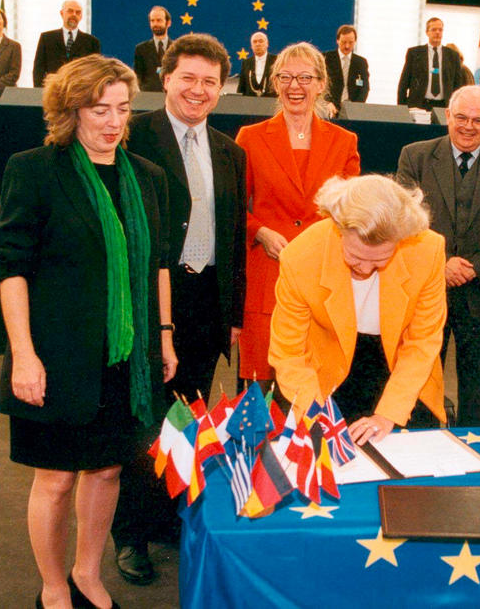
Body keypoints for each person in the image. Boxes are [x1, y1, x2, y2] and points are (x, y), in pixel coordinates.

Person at [0, 55, 177, 609]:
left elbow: (157, 265)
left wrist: (164, 336)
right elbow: (11, 270)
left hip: (128, 361)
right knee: (55, 479)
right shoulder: (34, 170)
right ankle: (53, 589)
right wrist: (24, 355)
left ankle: (88, 575)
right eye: (100, 109)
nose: (114, 121)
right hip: (55, 357)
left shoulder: (148, 176)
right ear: (70, 111)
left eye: (123, 108)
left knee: (108, 471)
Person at [112, 33, 246, 585]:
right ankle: (131, 534)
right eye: (187, 78)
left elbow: (234, 238)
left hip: (206, 305)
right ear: (164, 79)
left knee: (186, 422)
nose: (198, 90)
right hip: (148, 304)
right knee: (141, 423)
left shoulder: (230, 151)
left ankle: (167, 516)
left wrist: (233, 317)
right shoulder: (130, 135)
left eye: (210, 82)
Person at [270, 174, 447, 442]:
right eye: (354, 257)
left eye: (379, 260)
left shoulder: (427, 248)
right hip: (329, 374)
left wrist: (388, 414)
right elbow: (289, 353)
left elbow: (422, 342)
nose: (364, 269)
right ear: (339, 229)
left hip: (404, 373)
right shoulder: (300, 257)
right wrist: (317, 416)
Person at [397, 85, 480, 426]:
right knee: (419, 384)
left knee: (478, 394)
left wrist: (474, 268)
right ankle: (419, 457)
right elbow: (404, 221)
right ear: (447, 117)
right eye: (461, 118)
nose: (469, 127)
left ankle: (476, 462)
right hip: (425, 293)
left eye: (479, 120)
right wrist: (441, 265)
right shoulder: (414, 156)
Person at [237, 41, 360, 389]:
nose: (295, 86)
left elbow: (352, 213)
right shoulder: (251, 137)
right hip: (266, 278)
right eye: (286, 77)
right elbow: (233, 209)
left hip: (321, 279)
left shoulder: (344, 141)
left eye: (305, 77)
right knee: (260, 392)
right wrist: (260, 231)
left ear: (321, 84)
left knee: (313, 388)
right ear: (275, 83)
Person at [396, 17, 464, 110]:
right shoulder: (415, 53)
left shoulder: (452, 55)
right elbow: (404, 82)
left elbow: (458, 85)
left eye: (440, 30)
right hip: (419, 105)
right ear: (427, 32)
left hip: (444, 106)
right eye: (434, 30)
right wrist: (401, 108)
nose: (437, 32)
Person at [32, 0, 101, 87]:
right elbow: (38, 69)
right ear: (62, 13)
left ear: (81, 16)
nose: (74, 14)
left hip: (80, 93)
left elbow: (95, 72)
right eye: (70, 11)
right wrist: (40, 93)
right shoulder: (47, 38)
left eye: (78, 12)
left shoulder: (92, 42)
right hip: (53, 91)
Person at [323, 24, 370, 117]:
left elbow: (364, 88)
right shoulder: (326, 58)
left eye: (351, 42)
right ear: (337, 40)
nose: (347, 46)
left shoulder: (361, 62)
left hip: (352, 110)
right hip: (330, 107)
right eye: (344, 42)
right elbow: (320, 84)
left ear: (355, 41)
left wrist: (356, 107)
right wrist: (327, 102)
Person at [132, 6, 171, 92]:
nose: (155, 24)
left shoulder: (176, 48)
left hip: (171, 96)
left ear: (168, 23)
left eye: (159, 20)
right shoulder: (141, 49)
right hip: (148, 99)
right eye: (152, 21)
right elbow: (138, 77)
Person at [236, 31, 276, 97]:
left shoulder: (276, 61)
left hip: (271, 102)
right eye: (255, 42)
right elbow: (241, 87)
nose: (258, 44)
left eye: (261, 41)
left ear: (267, 44)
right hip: (250, 103)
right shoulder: (246, 63)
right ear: (251, 46)